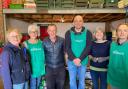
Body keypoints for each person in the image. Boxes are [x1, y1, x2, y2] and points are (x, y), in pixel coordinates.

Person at [65, 15, 92, 89]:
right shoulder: (68, 33)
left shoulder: (88, 33)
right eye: (76, 21)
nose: (78, 22)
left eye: (80, 20)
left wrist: (80, 59)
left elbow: (88, 47)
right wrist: (74, 59)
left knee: (82, 82)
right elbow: (67, 47)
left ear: (83, 22)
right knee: (72, 81)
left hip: (83, 62)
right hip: (71, 61)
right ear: (73, 23)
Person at [43, 24, 65, 89]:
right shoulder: (44, 41)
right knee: (50, 87)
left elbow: (66, 53)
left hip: (60, 68)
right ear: (47, 31)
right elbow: (42, 54)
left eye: (54, 30)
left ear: (56, 31)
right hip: (49, 68)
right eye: (50, 30)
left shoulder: (62, 40)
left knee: (60, 87)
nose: (52, 32)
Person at [23, 24, 45, 89]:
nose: (34, 33)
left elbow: (44, 54)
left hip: (40, 67)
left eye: (35, 31)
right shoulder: (25, 44)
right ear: (29, 33)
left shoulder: (41, 43)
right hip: (31, 68)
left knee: (38, 84)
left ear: (37, 33)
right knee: (33, 85)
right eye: (32, 32)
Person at [107, 23, 128, 89]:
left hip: (125, 80)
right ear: (116, 32)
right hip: (113, 78)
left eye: (125, 30)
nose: (122, 32)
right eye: (119, 30)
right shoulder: (112, 44)